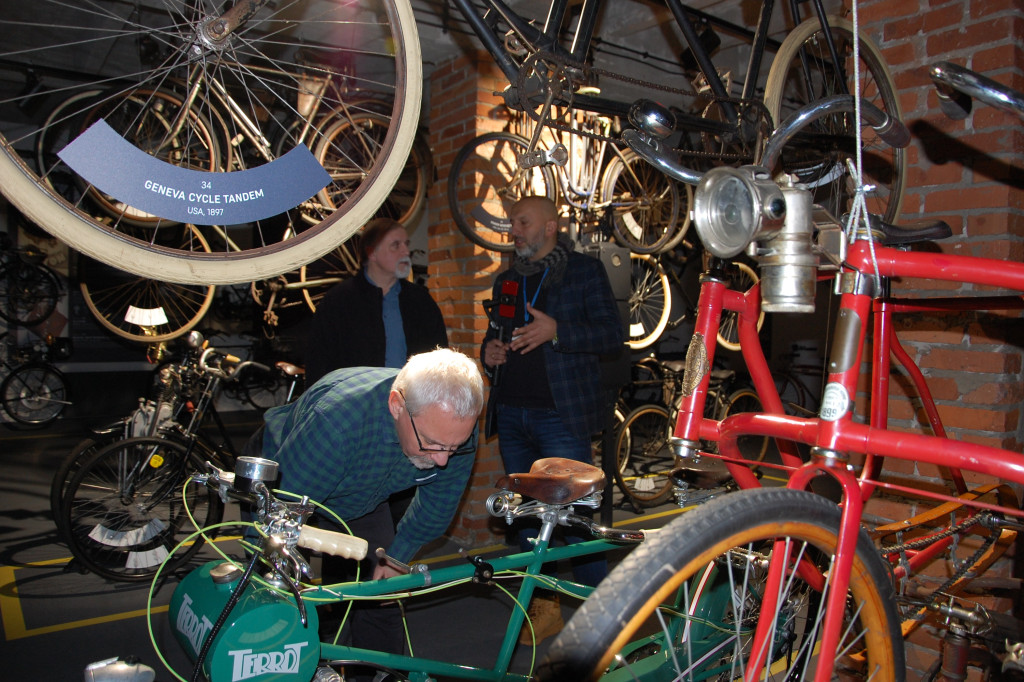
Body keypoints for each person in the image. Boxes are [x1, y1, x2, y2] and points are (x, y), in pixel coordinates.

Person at [243, 348, 484, 655]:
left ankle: (378, 674)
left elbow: (438, 504)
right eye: (432, 443)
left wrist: (397, 559)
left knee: (383, 595)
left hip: (361, 493)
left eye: (454, 446)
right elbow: (276, 519)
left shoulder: (454, 426)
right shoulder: (336, 423)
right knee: (271, 592)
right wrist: (258, 563)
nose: (442, 461)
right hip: (289, 478)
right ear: (397, 405)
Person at [480, 195, 624, 643]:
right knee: (525, 521)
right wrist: (489, 354)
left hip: (561, 418)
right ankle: (543, 608)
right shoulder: (508, 279)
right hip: (513, 414)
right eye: (512, 223)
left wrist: (557, 332)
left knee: (578, 520)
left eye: (521, 222)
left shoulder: (584, 271)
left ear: (549, 226)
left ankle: (599, 618)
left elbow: (611, 335)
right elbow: (494, 337)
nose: (513, 230)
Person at [305, 217, 449, 385]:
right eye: (396, 245)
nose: (405, 251)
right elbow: (318, 364)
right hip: (356, 405)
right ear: (372, 252)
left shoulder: (420, 302)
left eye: (406, 244)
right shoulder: (339, 302)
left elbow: (439, 361)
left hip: (409, 405)